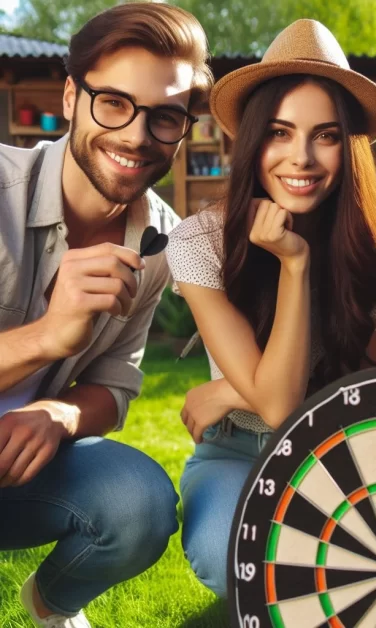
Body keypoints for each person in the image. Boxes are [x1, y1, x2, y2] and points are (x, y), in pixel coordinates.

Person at [166, 19, 376, 598]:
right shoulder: (198, 241)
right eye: (279, 132)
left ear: (348, 146)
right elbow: (273, 408)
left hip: (337, 446)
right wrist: (294, 265)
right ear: (252, 140)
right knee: (240, 562)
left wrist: (224, 390)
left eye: (324, 135)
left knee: (373, 567)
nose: (302, 158)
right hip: (233, 453)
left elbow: (364, 386)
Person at [0, 4, 212, 626]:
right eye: (114, 102)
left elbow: (115, 389)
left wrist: (60, 412)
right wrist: (45, 338)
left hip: (25, 469)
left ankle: (52, 602)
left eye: (165, 117)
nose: (137, 136)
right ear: (70, 96)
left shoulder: (160, 245)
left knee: (138, 502)